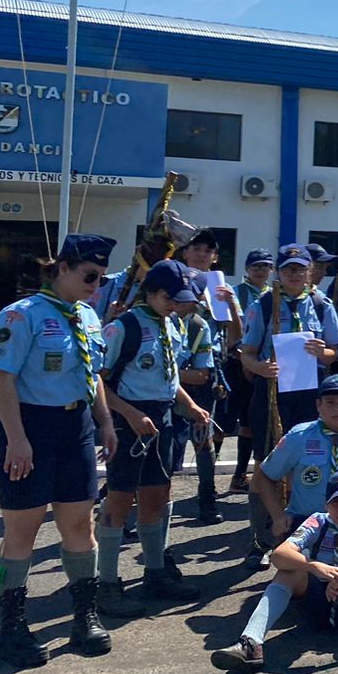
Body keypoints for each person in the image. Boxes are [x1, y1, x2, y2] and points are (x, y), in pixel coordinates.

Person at [0, 234, 118, 667]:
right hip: (31, 427)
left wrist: (104, 421)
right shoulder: (21, 315)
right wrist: (16, 439)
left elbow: (95, 372)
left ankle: (84, 616)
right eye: (89, 275)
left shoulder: (86, 316)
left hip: (76, 428)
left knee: (78, 526)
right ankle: (10, 624)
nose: (96, 285)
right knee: (23, 531)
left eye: (101, 278)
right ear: (63, 268)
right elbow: (3, 379)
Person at [95, 260, 212, 616]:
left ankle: (155, 573)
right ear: (149, 292)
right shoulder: (123, 327)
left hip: (160, 418)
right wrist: (128, 414)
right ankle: (107, 584)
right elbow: (98, 381)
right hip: (128, 419)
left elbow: (170, 377)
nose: (174, 304)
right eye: (167, 297)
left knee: (157, 495)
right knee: (118, 499)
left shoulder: (172, 326)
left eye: (179, 299)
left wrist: (191, 406)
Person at [209, 469, 338, 673]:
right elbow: (279, 555)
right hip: (320, 601)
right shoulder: (317, 521)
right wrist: (314, 566)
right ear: (326, 503)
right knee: (288, 571)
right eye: (337, 502)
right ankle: (250, 642)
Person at [250, 373, 338, 570]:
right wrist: (277, 515)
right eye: (330, 402)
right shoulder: (299, 436)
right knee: (299, 581)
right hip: (309, 520)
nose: (337, 408)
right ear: (318, 405)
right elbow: (264, 476)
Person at [237, 245, 338, 486]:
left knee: (306, 450)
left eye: (300, 270)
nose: (294, 275)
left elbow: (333, 353)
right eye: (288, 270)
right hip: (272, 387)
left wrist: (322, 351)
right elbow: (248, 354)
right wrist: (261, 368)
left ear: (310, 271)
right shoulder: (263, 305)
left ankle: (298, 507)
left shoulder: (321, 305)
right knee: (268, 453)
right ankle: (264, 513)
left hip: (308, 389)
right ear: (278, 273)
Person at [175, 227, 240, 523]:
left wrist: (230, 307)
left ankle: (206, 496)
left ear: (215, 258)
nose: (202, 254)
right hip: (171, 364)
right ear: (184, 252)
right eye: (196, 249)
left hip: (207, 368)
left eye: (208, 251)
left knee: (204, 434)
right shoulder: (171, 279)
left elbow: (235, 339)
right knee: (163, 434)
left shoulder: (221, 288)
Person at [224, 248, 275, 493]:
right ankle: (207, 484)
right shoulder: (234, 293)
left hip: (261, 366)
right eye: (255, 266)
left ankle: (241, 475)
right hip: (236, 361)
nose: (260, 270)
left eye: (265, 266)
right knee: (224, 421)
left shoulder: (275, 296)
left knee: (250, 421)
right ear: (246, 268)